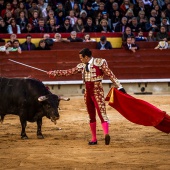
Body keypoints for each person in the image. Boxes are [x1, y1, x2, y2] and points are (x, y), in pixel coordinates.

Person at [47, 48, 126, 145]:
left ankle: (106, 134)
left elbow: (110, 74)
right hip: (87, 93)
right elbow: (69, 72)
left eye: (81, 58)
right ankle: (94, 139)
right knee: (91, 115)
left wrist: (120, 86)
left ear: (86, 57)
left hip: (97, 91)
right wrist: (55, 73)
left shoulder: (99, 62)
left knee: (102, 113)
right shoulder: (82, 66)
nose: (80, 60)